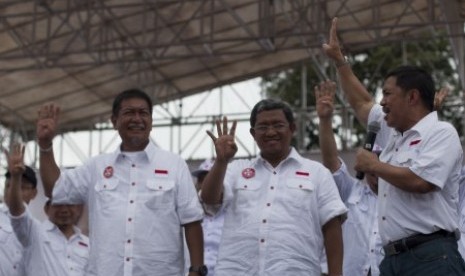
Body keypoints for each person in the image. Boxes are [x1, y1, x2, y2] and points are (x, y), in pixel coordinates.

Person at [323, 17, 465, 275]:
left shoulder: (442, 133)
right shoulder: (393, 135)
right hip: (390, 259)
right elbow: (361, 103)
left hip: (430, 256)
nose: (382, 101)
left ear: (412, 97)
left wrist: (375, 165)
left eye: (388, 94)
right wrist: (339, 61)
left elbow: (422, 182)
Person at [36, 89, 206, 276]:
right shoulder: (96, 167)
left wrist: (196, 271)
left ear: (151, 122)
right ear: (114, 121)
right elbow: (55, 189)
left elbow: (192, 221)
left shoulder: (174, 165)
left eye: (143, 113)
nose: (137, 118)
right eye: (128, 113)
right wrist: (45, 146)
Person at [200, 99, 348, 275]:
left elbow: (332, 228)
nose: (270, 132)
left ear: (292, 129)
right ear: (253, 134)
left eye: (278, 125)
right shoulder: (236, 169)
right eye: (263, 127)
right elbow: (208, 199)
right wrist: (221, 161)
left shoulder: (317, 173)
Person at [316, 80, 383, 276]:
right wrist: (325, 120)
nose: (376, 171)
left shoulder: (404, 198)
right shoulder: (351, 190)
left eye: (381, 164)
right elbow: (330, 161)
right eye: (371, 166)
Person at [5, 143, 89, 276]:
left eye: (70, 204)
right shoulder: (34, 233)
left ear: (79, 208)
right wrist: (15, 179)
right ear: (46, 208)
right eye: (58, 204)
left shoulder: (89, 245)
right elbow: (17, 212)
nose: (64, 210)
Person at [0, 153, 38, 276]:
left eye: (21, 187)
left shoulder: (37, 228)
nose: (13, 191)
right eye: (8, 186)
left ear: (34, 193)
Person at [190, 159, 226, 276]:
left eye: (211, 179)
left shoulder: (235, 216)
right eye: (201, 180)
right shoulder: (188, 216)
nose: (205, 184)